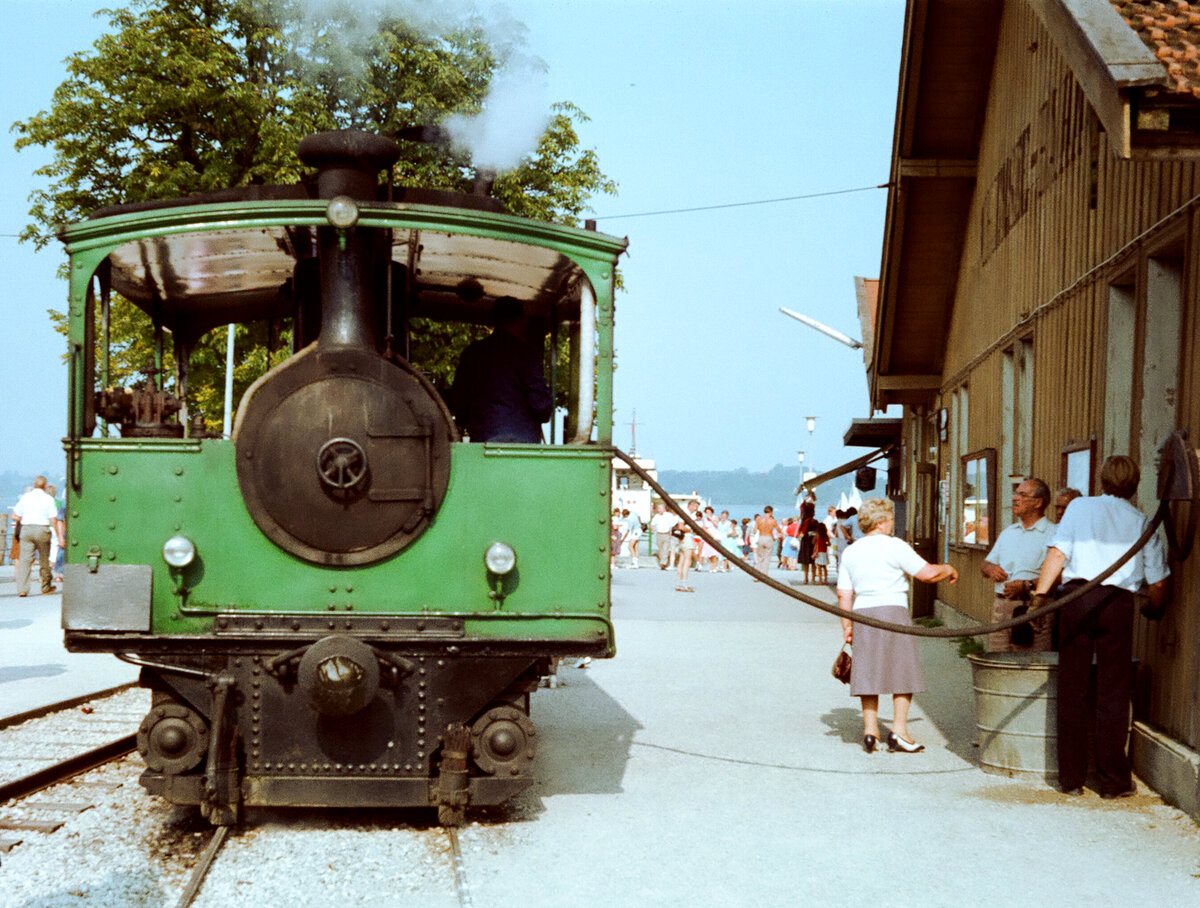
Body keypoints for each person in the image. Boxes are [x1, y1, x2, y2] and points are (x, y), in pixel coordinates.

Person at [1032, 456, 1168, 798]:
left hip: (1076, 600)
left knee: (1073, 689)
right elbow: (1158, 583)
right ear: (1135, 486)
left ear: (1102, 481)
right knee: (1113, 692)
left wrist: (1040, 596)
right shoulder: (1142, 521)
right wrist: (1156, 608)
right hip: (1116, 605)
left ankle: (1071, 780)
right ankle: (1113, 782)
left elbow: (1058, 554)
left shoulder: (1079, 508)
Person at [837, 497, 958, 753]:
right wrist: (948, 568)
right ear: (881, 522)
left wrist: (847, 625)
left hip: (862, 613)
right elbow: (926, 574)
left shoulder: (851, 551)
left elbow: (843, 594)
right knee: (902, 671)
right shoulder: (894, 546)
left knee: (868, 671)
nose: (893, 523)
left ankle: (870, 731)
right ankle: (899, 731)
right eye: (891, 519)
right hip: (892, 610)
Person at [448, 296, 552, 443]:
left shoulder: (472, 353)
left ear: (494, 320)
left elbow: (459, 402)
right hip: (522, 447)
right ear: (521, 321)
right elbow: (541, 408)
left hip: (482, 442)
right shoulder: (528, 355)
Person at [980, 478, 1055, 652]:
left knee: (1031, 667)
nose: (1015, 498)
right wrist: (990, 569)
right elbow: (985, 563)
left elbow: (1060, 576)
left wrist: (1025, 586)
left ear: (1038, 503)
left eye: (1022, 494)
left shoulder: (1053, 533)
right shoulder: (1009, 532)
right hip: (1002, 608)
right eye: (1015, 494)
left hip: (1033, 608)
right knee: (998, 664)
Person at [12, 476, 59, 597]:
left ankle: (22, 589)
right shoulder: (48, 499)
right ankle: (46, 586)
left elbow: (15, 515)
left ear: (34, 485)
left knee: (25, 560)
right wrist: (59, 536)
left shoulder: (25, 497)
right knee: (44, 559)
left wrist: (25, 519)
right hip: (42, 529)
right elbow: (53, 519)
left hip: (26, 529)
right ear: (45, 486)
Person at [675, 499, 702, 592]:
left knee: (681, 560)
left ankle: (679, 583)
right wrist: (691, 530)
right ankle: (684, 584)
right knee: (687, 560)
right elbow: (681, 526)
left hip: (682, 539)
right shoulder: (685, 515)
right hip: (687, 538)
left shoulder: (685, 514)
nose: (696, 510)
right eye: (696, 507)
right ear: (691, 505)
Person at [650, 502, 678, 571]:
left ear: (664, 508)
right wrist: (652, 528)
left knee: (665, 549)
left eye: (659, 508)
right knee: (660, 549)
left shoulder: (669, 515)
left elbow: (673, 524)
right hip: (659, 534)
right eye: (658, 508)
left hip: (666, 534)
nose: (658, 510)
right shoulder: (657, 516)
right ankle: (662, 561)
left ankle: (663, 563)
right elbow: (652, 524)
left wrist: (671, 531)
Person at [753, 506, 780, 574]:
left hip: (761, 537)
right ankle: (764, 574)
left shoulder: (759, 520)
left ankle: (757, 574)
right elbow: (778, 530)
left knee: (760, 557)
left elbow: (754, 531)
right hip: (768, 537)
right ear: (771, 512)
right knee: (767, 557)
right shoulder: (773, 520)